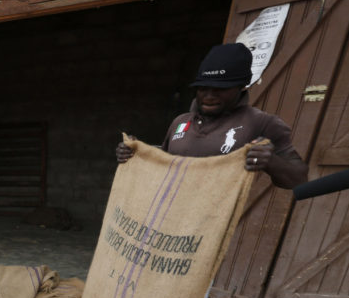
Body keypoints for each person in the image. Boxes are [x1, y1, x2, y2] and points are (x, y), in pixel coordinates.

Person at [116, 42, 308, 189]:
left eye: (220, 89)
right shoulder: (180, 122)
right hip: (170, 220)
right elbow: (166, 161)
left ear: (242, 86)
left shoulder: (260, 122)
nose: (208, 96)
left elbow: (299, 179)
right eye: (202, 88)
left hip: (217, 227)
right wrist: (138, 152)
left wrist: (271, 161)